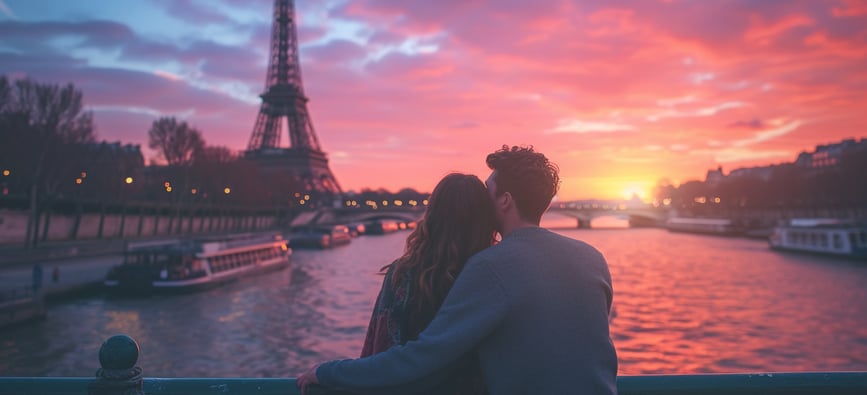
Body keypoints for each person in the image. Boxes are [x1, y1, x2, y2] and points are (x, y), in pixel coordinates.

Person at [297, 145, 618, 395]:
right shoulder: (593, 258)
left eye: (487, 192)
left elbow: (423, 357)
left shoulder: (491, 265)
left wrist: (329, 371)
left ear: (505, 201)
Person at [360, 172, 497, 394]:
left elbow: (379, 347)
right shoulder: (493, 276)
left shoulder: (402, 274)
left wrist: (332, 372)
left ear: (432, 214)